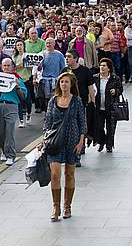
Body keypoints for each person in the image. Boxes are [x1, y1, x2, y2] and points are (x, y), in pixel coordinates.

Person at [42, 72, 86, 221]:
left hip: (72, 140)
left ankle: (67, 205)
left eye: (67, 82)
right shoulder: (53, 101)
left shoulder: (77, 101)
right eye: (62, 82)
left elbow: (82, 122)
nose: (64, 84)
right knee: (54, 174)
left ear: (71, 84)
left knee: (69, 173)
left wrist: (81, 141)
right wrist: (43, 140)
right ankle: (56, 206)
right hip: (54, 142)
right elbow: (47, 122)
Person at [0, 58, 26, 166]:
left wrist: (17, 87)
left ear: (12, 67)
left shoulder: (17, 79)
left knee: (9, 132)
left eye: (8, 65)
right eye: (4, 66)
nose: (6, 68)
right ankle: (4, 150)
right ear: (1, 67)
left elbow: (24, 96)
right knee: (0, 132)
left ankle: (11, 155)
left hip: (12, 106)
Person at [94, 58, 123, 153]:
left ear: (109, 68)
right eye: (101, 65)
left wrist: (116, 91)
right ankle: (101, 142)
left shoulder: (115, 78)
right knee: (99, 127)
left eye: (104, 66)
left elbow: (120, 89)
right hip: (98, 107)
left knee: (111, 127)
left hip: (111, 107)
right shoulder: (95, 78)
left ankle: (109, 144)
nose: (102, 67)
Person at [37, 38, 66, 113]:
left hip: (55, 80)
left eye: (50, 43)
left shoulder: (59, 55)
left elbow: (63, 68)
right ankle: (47, 115)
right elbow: (39, 69)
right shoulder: (42, 54)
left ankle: (55, 114)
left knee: (55, 99)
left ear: (54, 44)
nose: (48, 45)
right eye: (47, 43)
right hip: (44, 80)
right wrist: (39, 65)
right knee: (45, 99)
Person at [13, 40, 33, 127]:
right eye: (18, 45)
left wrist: (28, 65)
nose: (20, 47)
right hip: (19, 80)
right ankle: (21, 120)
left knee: (28, 101)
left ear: (24, 46)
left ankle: (28, 114)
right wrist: (19, 65)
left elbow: (33, 67)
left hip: (27, 80)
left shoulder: (28, 56)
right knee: (19, 101)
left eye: (21, 45)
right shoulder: (14, 57)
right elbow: (13, 68)